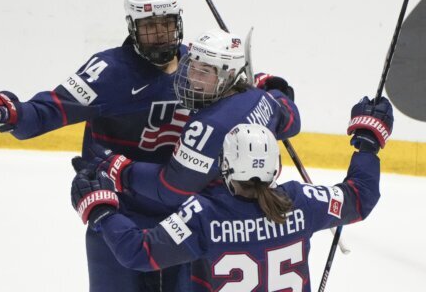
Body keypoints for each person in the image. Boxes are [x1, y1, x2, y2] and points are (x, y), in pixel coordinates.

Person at [0, 0, 191, 292]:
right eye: (149, 27)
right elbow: (50, 109)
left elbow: (238, 106)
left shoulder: (199, 67)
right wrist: (12, 113)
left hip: (185, 215)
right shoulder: (110, 71)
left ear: (178, 22)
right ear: (132, 27)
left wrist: (264, 89)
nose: (159, 35)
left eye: (166, 25)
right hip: (117, 213)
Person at [70, 95, 394, 291]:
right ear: (276, 166)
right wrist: (367, 142)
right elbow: (360, 195)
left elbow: (138, 253)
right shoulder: (302, 202)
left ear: (224, 166)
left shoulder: (205, 216)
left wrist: (101, 210)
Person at [79, 28, 300, 212]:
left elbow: (170, 190)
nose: (192, 78)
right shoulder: (260, 98)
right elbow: (292, 121)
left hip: (221, 220)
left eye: (203, 72)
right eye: (191, 67)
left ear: (230, 75)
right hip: (257, 207)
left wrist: (119, 169)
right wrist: (275, 89)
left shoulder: (208, 126)